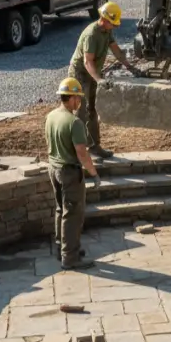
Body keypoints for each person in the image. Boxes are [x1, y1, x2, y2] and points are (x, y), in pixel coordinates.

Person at [68, 1, 140, 159]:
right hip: (79, 74)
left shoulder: (107, 32)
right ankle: (76, 151)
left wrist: (129, 67)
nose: (114, 26)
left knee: (93, 110)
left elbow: (117, 52)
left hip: (93, 74)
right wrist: (99, 80)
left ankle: (94, 147)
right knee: (80, 111)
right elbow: (88, 62)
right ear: (105, 20)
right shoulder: (91, 35)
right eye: (113, 23)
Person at [45, 77, 101, 270]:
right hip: (69, 172)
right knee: (73, 214)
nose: (79, 102)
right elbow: (82, 153)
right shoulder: (74, 122)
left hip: (53, 168)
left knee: (61, 209)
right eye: (78, 98)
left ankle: (63, 246)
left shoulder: (51, 116)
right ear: (72, 98)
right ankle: (70, 258)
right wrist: (93, 173)